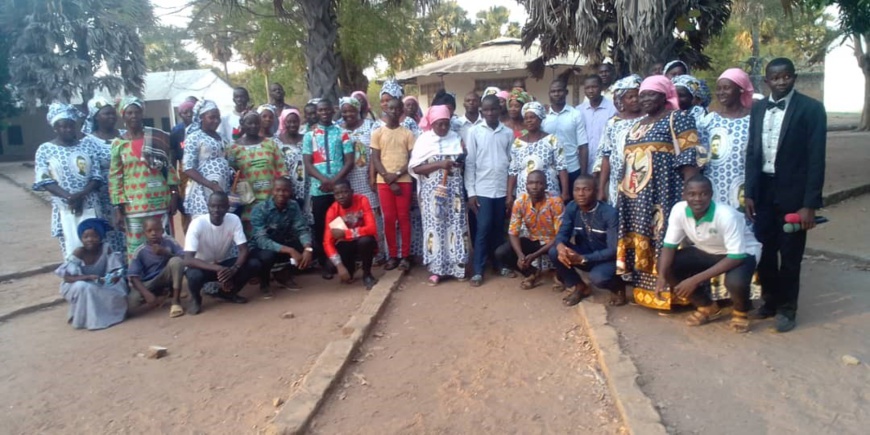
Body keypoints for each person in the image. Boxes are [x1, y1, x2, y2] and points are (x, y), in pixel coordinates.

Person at [744, 57, 827, 333]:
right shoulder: (757, 109)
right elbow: (752, 151)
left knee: (791, 254)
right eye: (775, 77)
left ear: (794, 77)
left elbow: (817, 159)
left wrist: (809, 204)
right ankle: (769, 301)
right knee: (764, 251)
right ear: (766, 80)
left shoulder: (811, 109)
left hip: (794, 194)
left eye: (786, 77)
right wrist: (750, 193)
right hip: (764, 192)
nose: (781, 82)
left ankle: (787, 310)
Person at [616, 75, 700, 310]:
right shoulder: (636, 125)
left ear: (665, 95)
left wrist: (689, 198)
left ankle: (677, 296)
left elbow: (690, 159)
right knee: (642, 240)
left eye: (651, 94)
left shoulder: (679, 119)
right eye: (642, 95)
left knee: (665, 240)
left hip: (665, 195)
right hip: (635, 199)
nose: (645, 99)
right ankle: (646, 293)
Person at [656, 175, 761, 332]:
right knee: (665, 266)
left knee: (735, 282)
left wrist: (694, 280)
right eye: (692, 194)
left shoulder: (726, 215)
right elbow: (669, 246)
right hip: (706, 250)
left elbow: (736, 257)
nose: (697, 199)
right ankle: (707, 307)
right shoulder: (679, 210)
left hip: (741, 254)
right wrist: (662, 276)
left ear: (711, 195)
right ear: (684, 195)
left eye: (703, 194)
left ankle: (741, 312)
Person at [110, 97, 179, 261]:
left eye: (137, 112)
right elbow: (115, 176)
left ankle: (167, 278)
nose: (134, 116)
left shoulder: (158, 137)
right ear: (123, 116)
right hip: (133, 206)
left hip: (160, 203)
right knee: (136, 246)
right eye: (129, 112)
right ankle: (139, 280)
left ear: (142, 113)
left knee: (164, 243)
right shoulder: (118, 144)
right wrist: (117, 207)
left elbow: (169, 168)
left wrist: (174, 194)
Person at [34, 103, 105, 259]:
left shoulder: (86, 146)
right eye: (63, 126)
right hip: (64, 207)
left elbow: (96, 176)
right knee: (71, 248)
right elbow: (44, 179)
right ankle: (75, 281)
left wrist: (80, 195)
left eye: (71, 126)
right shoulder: (45, 149)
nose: (68, 130)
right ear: (55, 128)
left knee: (95, 246)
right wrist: (69, 197)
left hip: (90, 204)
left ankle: (98, 280)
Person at [409, 106, 469, 286]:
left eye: (446, 124)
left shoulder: (456, 138)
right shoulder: (423, 141)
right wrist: (440, 164)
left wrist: (457, 163)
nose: (443, 128)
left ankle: (458, 266)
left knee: (456, 226)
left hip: (455, 193)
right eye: (439, 124)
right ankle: (437, 269)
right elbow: (415, 168)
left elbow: (464, 162)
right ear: (432, 123)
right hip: (432, 194)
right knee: (435, 228)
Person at [183, 192, 261, 314]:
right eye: (212, 206)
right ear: (207, 206)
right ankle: (196, 299)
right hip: (203, 266)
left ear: (227, 207)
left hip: (223, 266)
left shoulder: (233, 220)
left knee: (254, 263)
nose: (216, 210)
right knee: (193, 275)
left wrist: (234, 269)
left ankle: (228, 293)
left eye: (221, 206)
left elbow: (244, 249)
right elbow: (188, 259)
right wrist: (218, 268)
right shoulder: (197, 224)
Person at [465, 94, 514, 286]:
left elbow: (512, 164)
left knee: (498, 229)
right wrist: (471, 192)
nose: (490, 113)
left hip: (501, 189)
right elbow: (470, 164)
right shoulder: (475, 132)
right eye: (486, 110)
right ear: (481, 111)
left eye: (493, 109)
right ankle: (478, 269)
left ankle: (499, 264)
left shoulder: (507, 133)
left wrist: (511, 192)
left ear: (500, 109)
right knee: (483, 228)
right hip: (482, 189)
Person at [552, 175, 623, 306]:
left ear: (596, 191)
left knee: (598, 278)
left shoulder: (609, 213)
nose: (581, 194)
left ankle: (618, 287)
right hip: (584, 254)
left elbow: (613, 250)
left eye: (586, 189)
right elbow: (562, 233)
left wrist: (583, 258)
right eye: (577, 190)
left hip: (608, 259)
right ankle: (580, 286)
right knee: (554, 252)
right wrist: (561, 246)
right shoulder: (572, 207)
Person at [303, 99, 354, 277]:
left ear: (333, 111)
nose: (324, 113)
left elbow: (349, 161)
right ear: (316, 112)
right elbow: (308, 163)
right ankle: (326, 262)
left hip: (339, 190)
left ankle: (345, 260)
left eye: (327, 109)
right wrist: (323, 180)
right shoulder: (309, 135)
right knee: (321, 226)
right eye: (320, 110)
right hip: (319, 189)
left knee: (340, 224)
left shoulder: (342, 133)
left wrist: (334, 181)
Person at [55, 218, 127, 330]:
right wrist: (87, 277)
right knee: (84, 287)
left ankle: (105, 317)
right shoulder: (79, 252)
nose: (90, 240)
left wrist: (113, 277)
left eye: (94, 236)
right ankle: (86, 321)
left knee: (117, 286)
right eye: (86, 237)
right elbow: (67, 277)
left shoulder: (105, 248)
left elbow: (115, 268)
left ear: (100, 237)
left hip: (99, 282)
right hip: (75, 284)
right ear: (81, 239)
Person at [698, 68, 754, 210]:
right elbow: (701, 157)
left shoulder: (753, 119)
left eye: (727, 88)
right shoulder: (709, 120)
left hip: (744, 188)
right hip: (714, 185)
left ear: (740, 89)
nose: (721, 92)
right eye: (718, 88)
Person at [496, 170, 563, 289]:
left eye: (539, 183)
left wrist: (534, 255)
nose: (535, 187)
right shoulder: (520, 202)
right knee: (501, 253)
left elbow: (560, 236)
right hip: (534, 240)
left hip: (552, 242)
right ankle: (531, 273)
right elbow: (513, 232)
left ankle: (560, 276)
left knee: (558, 251)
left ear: (546, 185)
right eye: (531, 183)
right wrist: (520, 255)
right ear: (526, 185)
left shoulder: (555, 202)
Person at [340, 96, 386, 263]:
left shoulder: (371, 126)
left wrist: (373, 175)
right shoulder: (337, 129)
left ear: (358, 109)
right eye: (344, 111)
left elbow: (376, 152)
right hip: (347, 179)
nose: (348, 114)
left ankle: (379, 252)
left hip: (368, 177)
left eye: (351, 110)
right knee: (352, 216)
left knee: (373, 215)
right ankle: (358, 255)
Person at [371, 98, 416, 271]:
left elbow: (412, 159)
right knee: (389, 219)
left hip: (403, 180)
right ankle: (393, 256)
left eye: (398, 109)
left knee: (404, 218)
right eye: (391, 108)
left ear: (402, 111)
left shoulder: (407, 133)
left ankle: (405, 256)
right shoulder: (377, 133)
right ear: (385, 109)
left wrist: (396, 175)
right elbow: (375, 158)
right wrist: (386, 176)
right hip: (384, 182)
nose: (394, 111)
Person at [249, 177, 314, 296]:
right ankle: (264, 282)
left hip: (282, 242)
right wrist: (290, 250)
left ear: (290, 191)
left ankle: (283, 274)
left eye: (285, 190)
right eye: (278, 190)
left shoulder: (293, 205)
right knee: (267, 255)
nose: (281, 194)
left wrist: (308, 249)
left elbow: (301, 229)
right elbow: (261, 240)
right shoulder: (260, 209)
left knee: (311, 245)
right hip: (261, 248)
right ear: (272, 191)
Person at [81, 97, 127, 255]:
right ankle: (115, 271)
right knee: (111, 232)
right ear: (96, 116)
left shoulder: (125, 136)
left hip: (128, 191)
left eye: (113, 113)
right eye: (106, 114)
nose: (112, 117)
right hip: (103, 196)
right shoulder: (87, 142)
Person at [228, 111, 287, 230]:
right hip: (247, 201)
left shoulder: (270, 144)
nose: (253, 126)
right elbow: (230, 173)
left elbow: (281, 169)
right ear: (242, 124)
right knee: (252, 239)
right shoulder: (233, 148)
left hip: (271, 199)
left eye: (256, 123)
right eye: (249, 123)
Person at [508, 102, 569, 206]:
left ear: (540, 118)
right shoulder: (517, 143)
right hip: (524, 193)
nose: (529, 120)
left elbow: (562, 167)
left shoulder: (552, 140)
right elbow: (513, 171)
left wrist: (565, 192)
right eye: (526, 118)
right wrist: (509, 194)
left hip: (549, 192)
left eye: (533, 117)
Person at [321, 180, 379, 289]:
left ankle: (367, 274)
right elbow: (327, 242)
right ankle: (350, 268)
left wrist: (345, 233)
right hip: (346, 245)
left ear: (352, 192)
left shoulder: (362, 200)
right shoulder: (333, 210)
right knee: (331, 264)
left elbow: (372, 229)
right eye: (337, 194)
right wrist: (339, 266)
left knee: (366, 241)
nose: (341, 196)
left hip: (361, 241)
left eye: (344, 192)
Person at [597, 75, 644, 206]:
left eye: (638, 95)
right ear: (621, 100)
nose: (635, 100)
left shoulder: (648, 120)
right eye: (630, 97)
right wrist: (601, 188)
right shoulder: (612, 124)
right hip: (618, 182)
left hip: (642, 180)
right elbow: (606, 156)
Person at [127, 216, 185, 318]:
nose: (153, 233)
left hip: (166, 276)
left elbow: (183, 258)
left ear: (162, 231)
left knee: (176, 261)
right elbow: (133, 276)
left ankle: (176, 301)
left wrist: (166, 253)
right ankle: (160, 295)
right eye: (149, 231)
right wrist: (146, 294)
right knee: (132, 304)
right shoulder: (140, 251)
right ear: (144, 233)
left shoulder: (169, 242)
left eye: (157, 230)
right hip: (150, 281)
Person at [183, 100, 232, 219]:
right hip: (203, 192)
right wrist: (211, 185)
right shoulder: (194, 137)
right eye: (212, 117)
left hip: (222, 189)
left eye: (218, 117)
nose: (216, 121)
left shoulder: (221, 136)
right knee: (205, 225)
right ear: (201, 117)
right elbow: (188, 168)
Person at [542, 80, 589, 186]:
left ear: (566, 92)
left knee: (573, 202)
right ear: (549, 94)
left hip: (572, 168)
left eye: (559, 91)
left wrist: (583, 174)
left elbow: (583, 146)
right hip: (549, 170)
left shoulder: (576, 114)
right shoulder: (543, 116)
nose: (556, 94)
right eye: (553, 91)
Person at [578, 75, 618, 175]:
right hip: (583, 164)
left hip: (606, 164)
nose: (591, 91)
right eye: (587, 88)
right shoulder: (578, 111)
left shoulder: (613, 109)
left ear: (601, 87)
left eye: (594, 87)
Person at [275, 108, 308, 211]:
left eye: (295, 121)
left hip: (308, 184)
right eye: (289, 122)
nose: (293, 124)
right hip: (287, 185)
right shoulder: (276, 141)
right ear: (284, 122)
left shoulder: (307, 138)